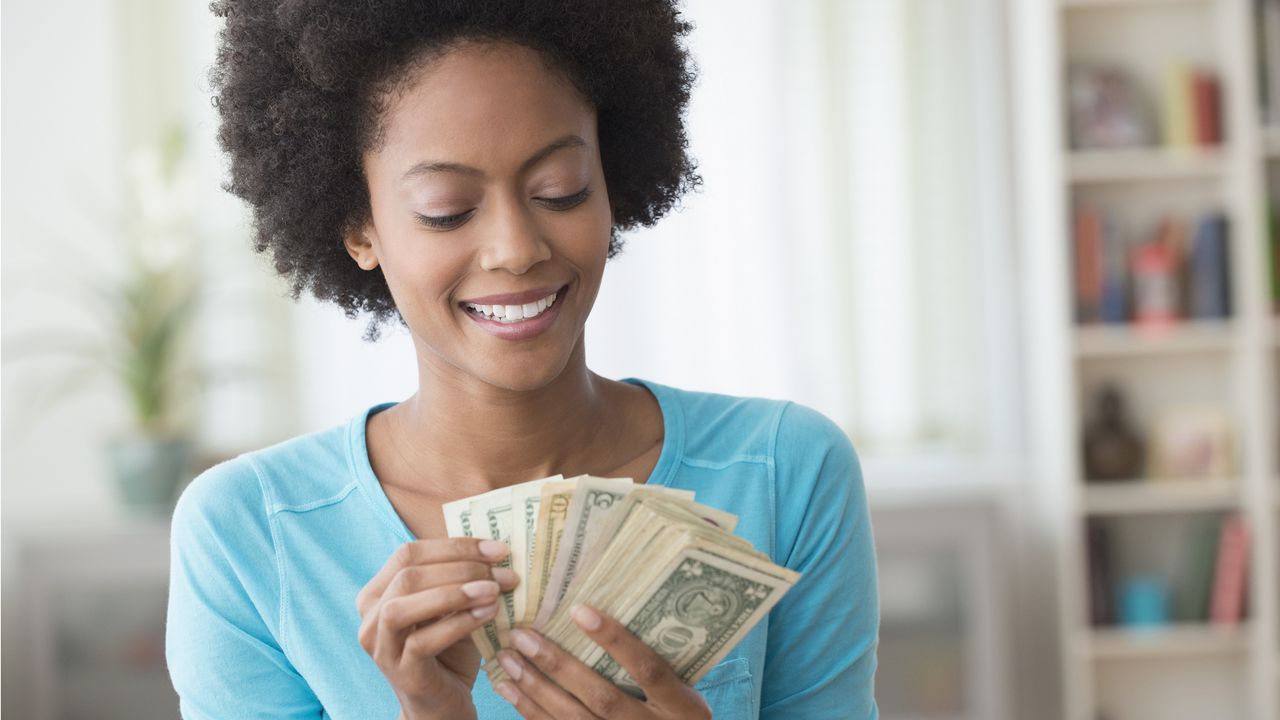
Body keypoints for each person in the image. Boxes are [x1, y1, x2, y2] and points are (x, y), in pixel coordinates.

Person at [165, 1, 880, 718]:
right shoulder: (248, 532)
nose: (517, 247)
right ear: (359, 227)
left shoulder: (785, 473)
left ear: (612, 183)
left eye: (559, 190)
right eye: (447, 208)